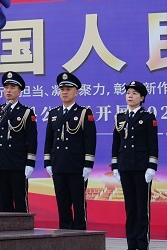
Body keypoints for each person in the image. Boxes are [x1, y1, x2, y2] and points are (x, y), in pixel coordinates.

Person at [44, 70, 96, 230]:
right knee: (62, 201)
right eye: (62, 89)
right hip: (59, 164)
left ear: (76, 92)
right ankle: (65, 235)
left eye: (68, 89)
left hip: (76, 166)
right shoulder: (54, 114)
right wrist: (48, 162)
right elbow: (49, 140)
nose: (64, 92)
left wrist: (87, 165)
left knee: (78, 202)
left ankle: (80, 235)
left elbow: (90, 140)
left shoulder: (84, 113)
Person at [112, 81, 159, 250]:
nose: (130, 96)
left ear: (142, 97)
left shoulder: (147, 118)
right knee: (130, 208)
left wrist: (151, 166)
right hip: (125, 167)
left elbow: (152, 144)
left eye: (134, 93)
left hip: (141, 168)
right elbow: (116, 143)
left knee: (142, 209)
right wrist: (115, 166)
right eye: (128, 93)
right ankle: (131, 243)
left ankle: (142, 243)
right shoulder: (120, 117)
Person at [0, 71, 38, 213]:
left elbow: (32, 141)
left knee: (20, 200)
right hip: (1, 162)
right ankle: (4, 232)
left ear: (19, 91)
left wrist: (30, 164)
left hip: (18, 163)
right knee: (3, 201)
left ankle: (23, 231)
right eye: (6, 87)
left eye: (12, 87)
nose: (8, 90)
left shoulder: (26, 113)